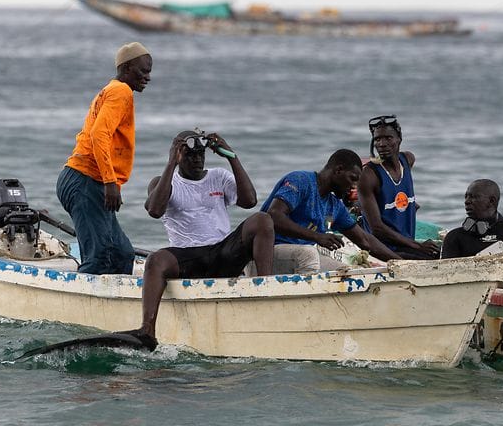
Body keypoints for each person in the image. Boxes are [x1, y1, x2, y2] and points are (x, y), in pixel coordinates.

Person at [132, 129, 275, 347]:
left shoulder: (218, 176)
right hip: (188, 257)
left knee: (262, 220)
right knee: (156, 260)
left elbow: (249, 201)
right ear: (179, 156)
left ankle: (265, 290)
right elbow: (154, 210)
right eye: (190, 155)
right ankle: (147, 330)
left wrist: (231, 156)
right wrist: (171, 163)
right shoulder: (163, 182)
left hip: (222, 252)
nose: (197, 159)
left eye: (201, 154)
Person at [56, 42, 153, 275]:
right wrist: (110, 182)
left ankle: (117, 308)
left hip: (86, 181)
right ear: (127, 67)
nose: (148, 77)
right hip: (85, 180)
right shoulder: (121, 91)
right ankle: (74, 307)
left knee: (122, 254)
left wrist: (110, 182)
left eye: (149, 71)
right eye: (143, 71)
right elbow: (99, 134)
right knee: (99, 257)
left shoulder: (112, 90)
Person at [261, 149, 401, 274]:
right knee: (309, 254)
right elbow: (274, 216)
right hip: (266, 254)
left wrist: (402, 262)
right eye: (352, 179)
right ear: (338, 170)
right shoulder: (300, 180)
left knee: (349, 273)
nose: (354, 187)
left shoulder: (335, 205)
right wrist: (317, 237)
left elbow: (365, 240)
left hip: (300, 256)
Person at [357, 115, 439, 260]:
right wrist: (418, 246)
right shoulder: (369, 175)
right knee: (433, 261)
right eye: (377, 139)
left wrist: (410, 206)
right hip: (382, 249)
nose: (382, 144)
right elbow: (377, 229)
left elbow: (397, 194)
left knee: (445, 253)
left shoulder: (407, 160)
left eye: (388, 138)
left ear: (399, 139)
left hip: (405, 244)